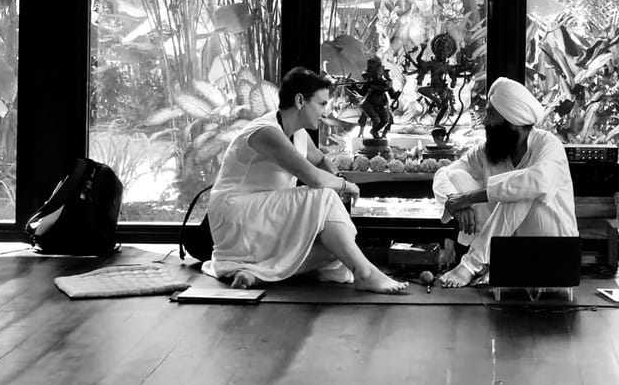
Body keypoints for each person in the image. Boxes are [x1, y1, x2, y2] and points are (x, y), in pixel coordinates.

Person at [203, 67, 409, 294]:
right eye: (321, 104)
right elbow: (314, 179)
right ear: (300, 101)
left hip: (265, 217)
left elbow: (320, 160)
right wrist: (346, 185)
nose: (325, 111)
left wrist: (337, 177)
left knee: (337, 246)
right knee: (326, 198)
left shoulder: (297, 132)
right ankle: (365, 273)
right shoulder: (266, 132)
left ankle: (259, 275)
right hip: (237, 215)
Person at [431, 76, 578, 288]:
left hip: (553, 251)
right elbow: (443, 175)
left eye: (490, 114)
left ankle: (472, 264)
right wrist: (456, 205)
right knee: (457, 177)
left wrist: (471, 197)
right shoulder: (488, 151)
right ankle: (488, 264)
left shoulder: (548, 144)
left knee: (523, 191)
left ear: (513, 120)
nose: (484, 121)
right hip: (505, 248)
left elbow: (538, 182)